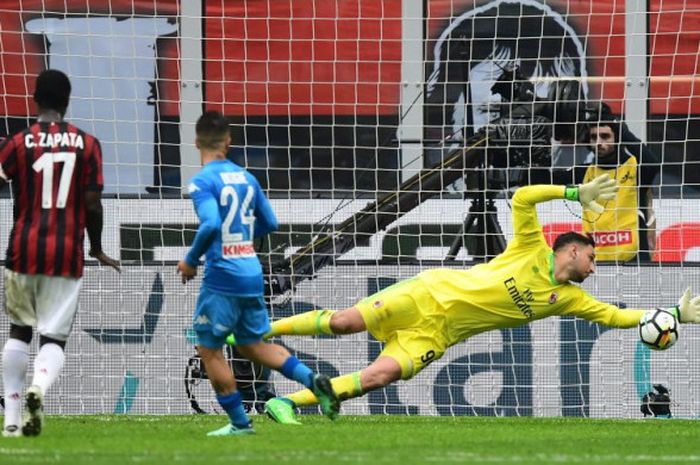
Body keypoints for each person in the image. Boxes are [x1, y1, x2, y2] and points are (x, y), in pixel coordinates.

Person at [260, 175, 700, 424]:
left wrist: (675, 313)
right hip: (424, 294)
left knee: (378, 377)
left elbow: (617, 316)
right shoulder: (531, 247)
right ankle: (262, 328)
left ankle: (286, 404)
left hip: (438, 333)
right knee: (342, 324)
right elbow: (524, 198)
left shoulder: (566, 298)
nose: (594, 266)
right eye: (592, 256)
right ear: (570, 249)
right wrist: (572, 194)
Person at [176, 111, 339, 436]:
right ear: (229, 142)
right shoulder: (247, 178)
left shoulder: (202, 182)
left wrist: (191, 260)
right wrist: (243, 239)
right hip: (251, 269)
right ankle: (312, 380)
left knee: (208, 349)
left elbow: (210, 223)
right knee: (252, 344)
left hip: (223, 275)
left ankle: (239, 423)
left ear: (196, 142)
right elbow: (271, 223)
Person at [0, 69, 120, 437]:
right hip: (67, 254)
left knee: (19, 332)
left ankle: (11, 421)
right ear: (67, 102)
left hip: (23, 249)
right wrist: (96, 247)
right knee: (53, 338)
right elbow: (93, 204)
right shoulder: (88, 144)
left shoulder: (18, 143)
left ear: (35, 99)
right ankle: (39, 387)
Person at [555, 103, 660, 262]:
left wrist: (620, 129)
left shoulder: (635, 168)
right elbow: (544, 179)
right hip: (597, 262)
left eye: (605, 136)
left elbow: (652, 162)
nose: (598, 142)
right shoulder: (585, 172)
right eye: (593, 137)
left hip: (635, 259)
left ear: (617, 137)